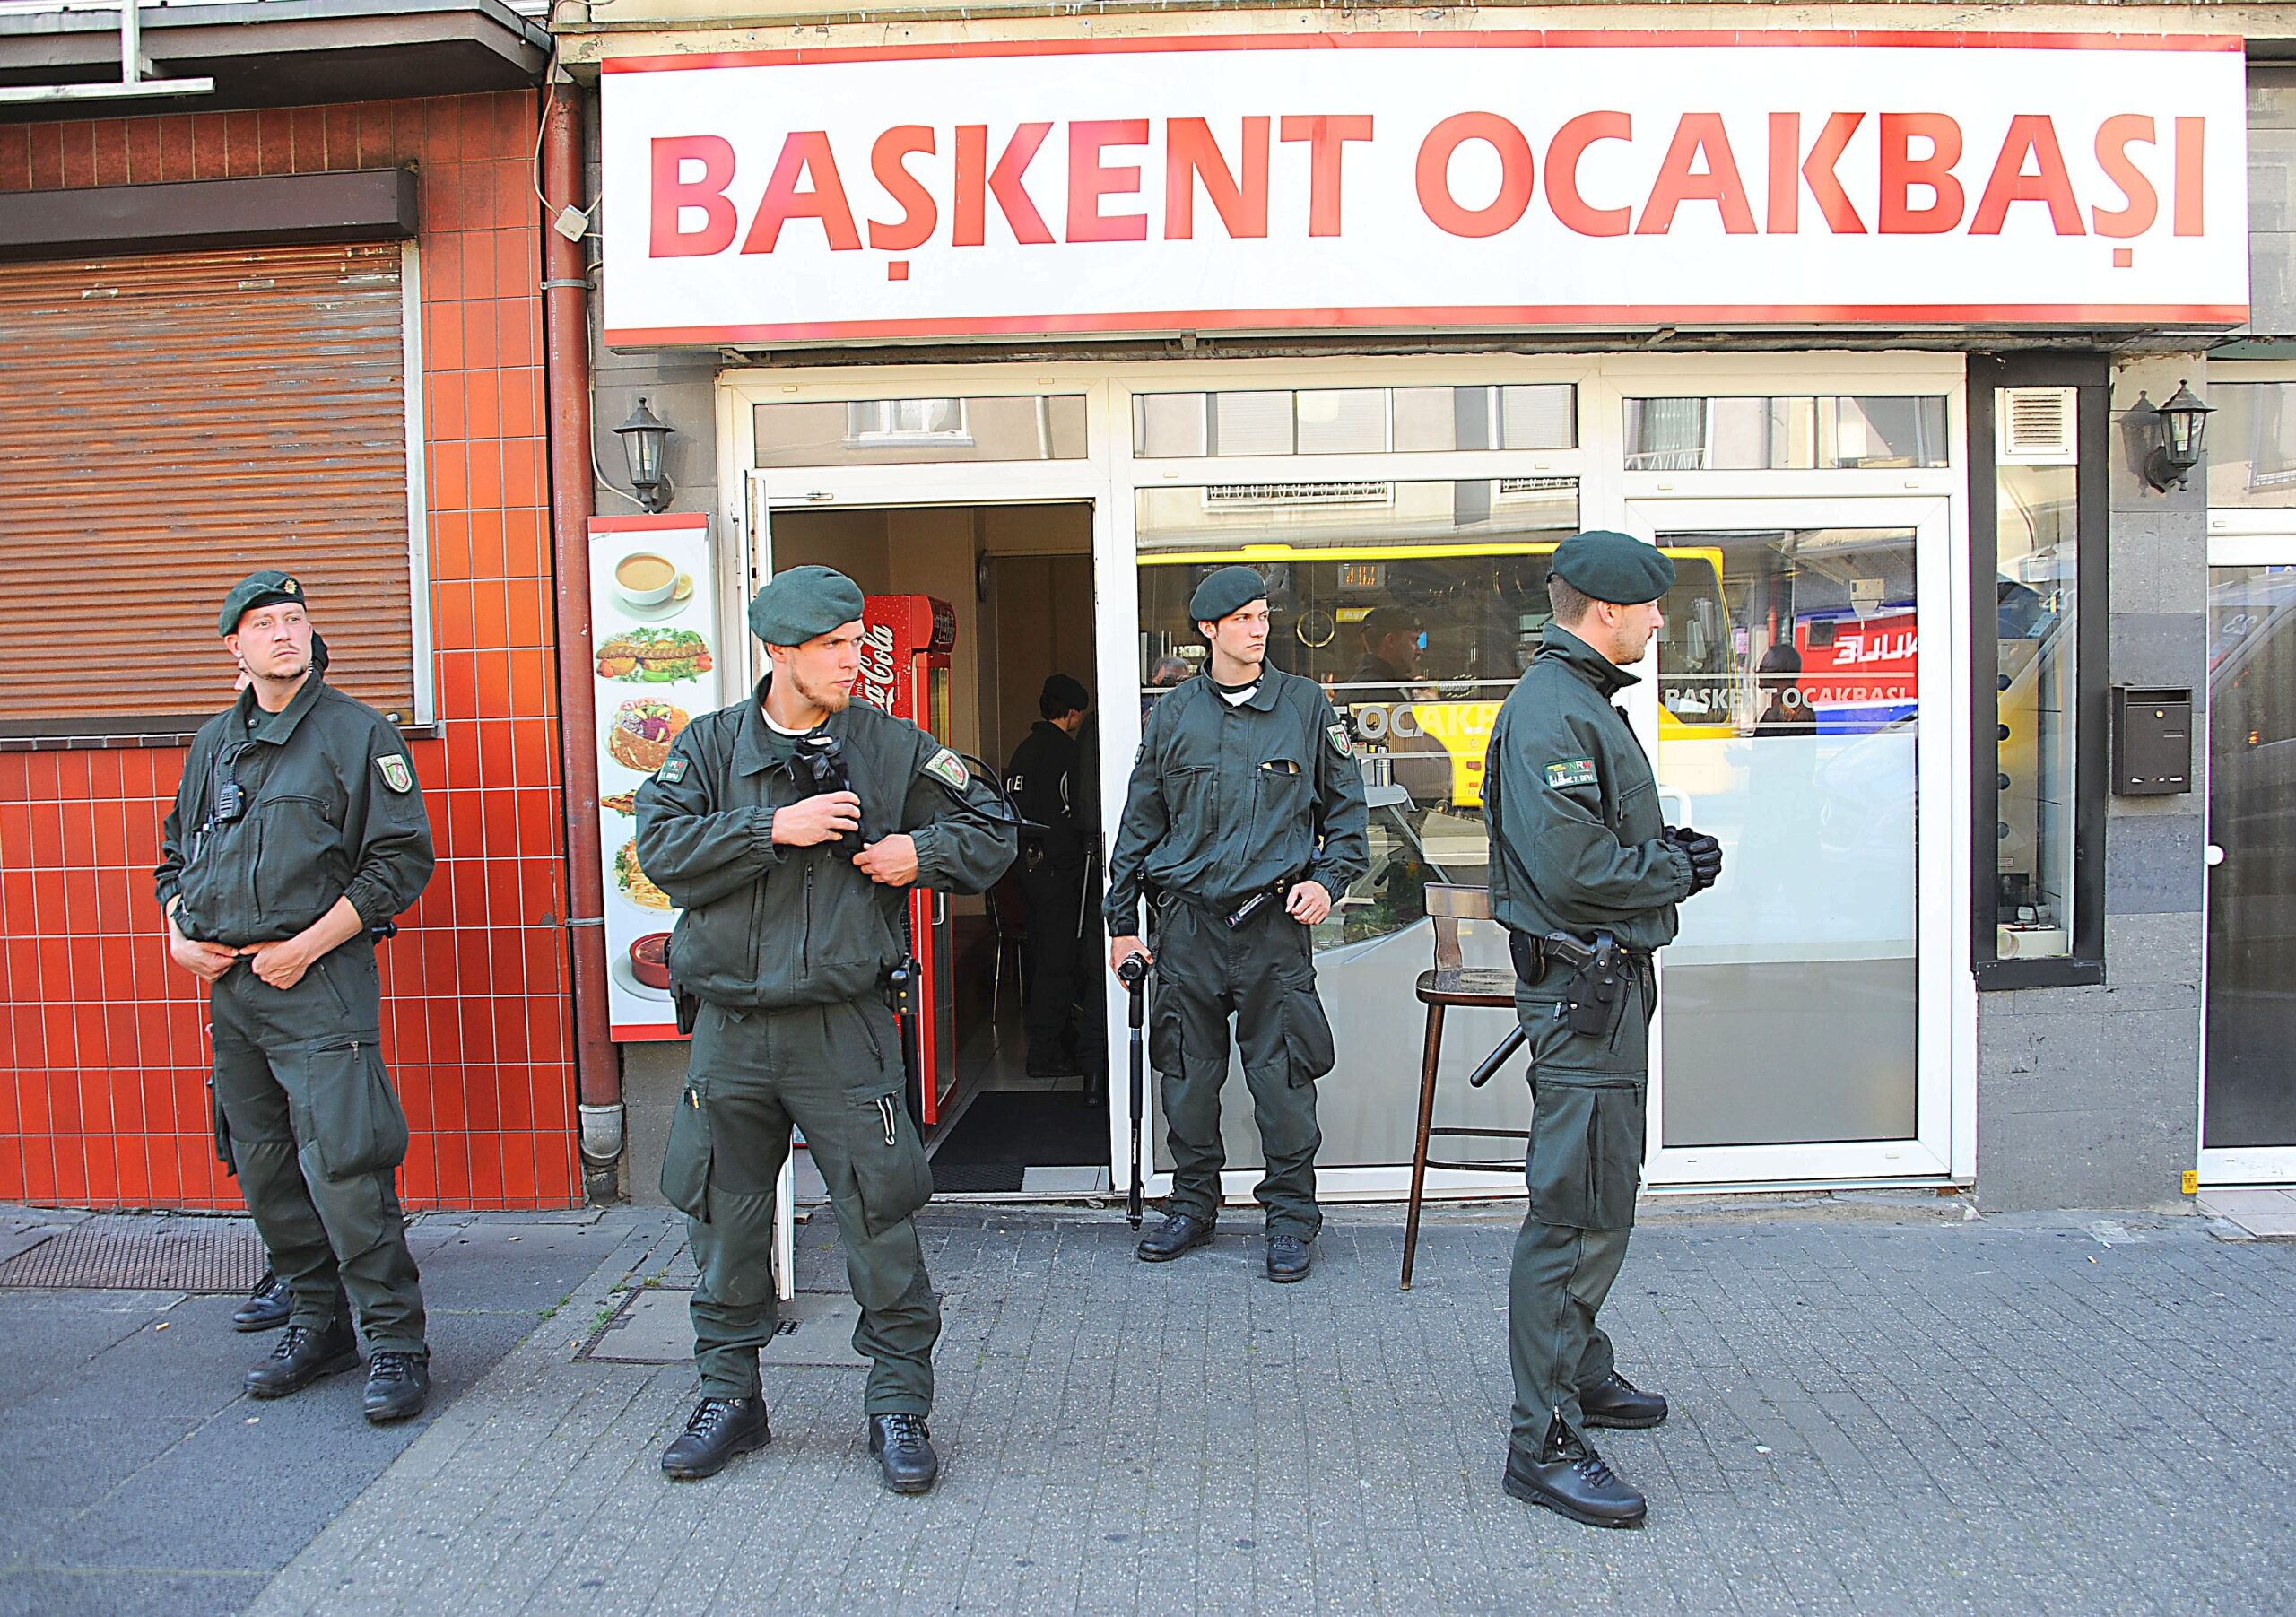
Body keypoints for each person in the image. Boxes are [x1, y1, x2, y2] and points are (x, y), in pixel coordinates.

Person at [634, 565, 1018, 1491]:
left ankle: (897, 1406)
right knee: (723, 1217)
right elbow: (661, 853)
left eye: (856, 642)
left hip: (844, 1028)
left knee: (878, 1217)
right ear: (779, 653)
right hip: (730, 1027)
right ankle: (730, 1397)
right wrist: (775, 827)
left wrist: (916, 852)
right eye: (833, 648)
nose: (856, 660)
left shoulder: (890, 747)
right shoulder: (710, 747)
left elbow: (994, 831)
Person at [1482, 530, 1724, 1529]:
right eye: (1651, 607)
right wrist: (1676, 872)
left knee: (1596, 1190)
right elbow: (1575, 871)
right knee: (1576, 1211)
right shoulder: (1552, 711)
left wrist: (1662, 847)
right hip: (1585, 993)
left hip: (1604, 987)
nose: (1661, 621)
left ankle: (1577, 1375)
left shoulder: (1582, 700)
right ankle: (1539, 1441)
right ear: (1607, 611)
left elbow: (1590, 844)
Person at [156, 572, 437, 1421]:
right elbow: (176, 856)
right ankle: (318, 1325)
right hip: (234, 991)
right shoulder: (214, 743)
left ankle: (395, 1342)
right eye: (264, 623)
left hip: (319, 985)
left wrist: (305, 947)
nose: (285, 632)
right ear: (234, 650)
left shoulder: (357, 734)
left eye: (296, 619)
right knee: (268, 1167)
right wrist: (177, 932)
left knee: (347, 1167)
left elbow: (399, 864)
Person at [1105, 566, 1369, 1282]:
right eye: (1246, 618)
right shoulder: (1174, 715)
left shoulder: (1305, 706)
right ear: (1208, 631)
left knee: (1283, 1081)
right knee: (1186, 1078)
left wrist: (1327, 879)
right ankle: (1192, 1205)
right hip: (1187, 929)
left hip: (1272, 930)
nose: (1261, 628)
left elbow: (1348, 817)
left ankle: (1290, 1218)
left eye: (1263, 616)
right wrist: (1121, 923)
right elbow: (1139, 821)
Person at [1005, 674, 1093, 1079]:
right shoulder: (1066, 753)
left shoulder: (1023, 752)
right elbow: (1076, 814)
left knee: (1044, 960)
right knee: (1059, 966)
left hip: (1025, 867)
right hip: (1058, 870)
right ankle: (1046, 1053)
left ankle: (1051, 1043)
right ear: (1073, 713)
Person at [1349, 606, 1424, 706]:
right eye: (1414, 640)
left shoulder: (1348, 690)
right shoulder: (1385, 696)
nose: (1420, 651)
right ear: (1391, 641)